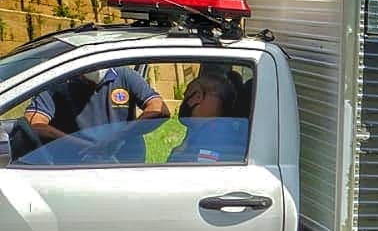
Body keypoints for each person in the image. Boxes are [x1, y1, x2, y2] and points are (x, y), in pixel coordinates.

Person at [23, 66, 168, 164]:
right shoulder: (59, 84)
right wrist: (82, 145)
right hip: (79, 163)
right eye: (87, 82)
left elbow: (159, 109)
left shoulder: (124, 75)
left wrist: (118, 137)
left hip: (126, 162)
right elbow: (34, 124)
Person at [167, 74, 249, 164]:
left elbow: (197, 173)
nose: (184, 102)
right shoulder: (219, 130)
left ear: (197, 96)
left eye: (186, 96)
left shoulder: (211, 139)